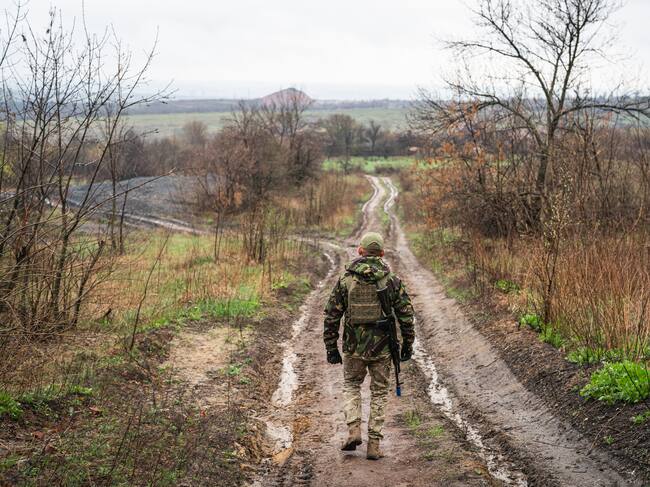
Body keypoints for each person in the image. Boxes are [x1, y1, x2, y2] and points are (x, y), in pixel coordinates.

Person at [323, 231, 415, 460]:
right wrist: (407, 344)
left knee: (351, 385)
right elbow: (406, 315)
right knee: (380, 392)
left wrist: (331, 347)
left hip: (353, 348)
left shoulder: (346, 280)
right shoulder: (391, 280)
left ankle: (354, 430)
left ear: (360, 251)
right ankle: (374, 445)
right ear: (382, 254)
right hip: (382, 350)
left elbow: (332, 315)